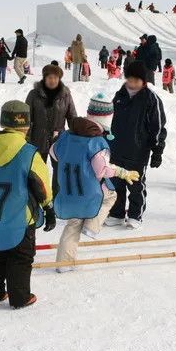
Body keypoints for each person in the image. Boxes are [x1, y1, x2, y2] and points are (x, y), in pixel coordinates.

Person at [0, 100, 56, 309]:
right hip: (20, 212)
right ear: (26, 125)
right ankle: (20, 296)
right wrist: (48, 208)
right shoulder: (28, 152)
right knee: (21, 256)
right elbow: (40, 183)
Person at [52, 94, 139, 271]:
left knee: (73, 224)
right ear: (106, 119)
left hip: (68, 190)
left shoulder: (68, 135)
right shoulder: (97, 142)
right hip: (88, 192)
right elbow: (102, 170)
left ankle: (63, 264)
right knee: (111, 195)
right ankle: (91, 226)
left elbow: (54, 152)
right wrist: (123, 172)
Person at [106, 61, 167, 229]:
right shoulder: (119, 95)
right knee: (116, 183)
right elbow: (109, 119)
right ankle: (117, 214)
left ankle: (135, 215)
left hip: (138, 151)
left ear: (143, 80)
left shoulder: (150, 99)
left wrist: (157, 150)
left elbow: (158, 126)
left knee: (135, 185)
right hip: (117, 148)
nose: (132, 83)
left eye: (136, 80)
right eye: (130, 80)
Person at [25, 64, 77, 196]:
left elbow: (72, 117)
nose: (52, 80)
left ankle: (56, 196)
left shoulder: (65, 95)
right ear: (44, 78)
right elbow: (26, 117)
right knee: (37, 169)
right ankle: (38, 196)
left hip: (58, 140)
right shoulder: (34, 94)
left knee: (59, 170)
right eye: (49, 77)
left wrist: (76, 135)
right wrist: (25, 137)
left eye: (55, 77)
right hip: (37, 138)